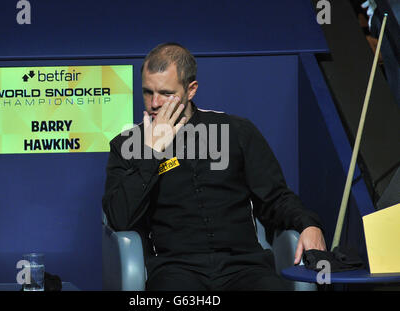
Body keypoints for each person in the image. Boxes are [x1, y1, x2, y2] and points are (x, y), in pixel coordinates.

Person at [102, 43, 326, 291]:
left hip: (245, 267)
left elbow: (275, 197)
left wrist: (308, 224)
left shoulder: (237, 131)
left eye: (166, 93)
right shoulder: (127, 144)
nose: (154, 103)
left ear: (191, 90)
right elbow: (119, 217)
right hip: (176, 270)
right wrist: (151, 153)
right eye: (147, 92)